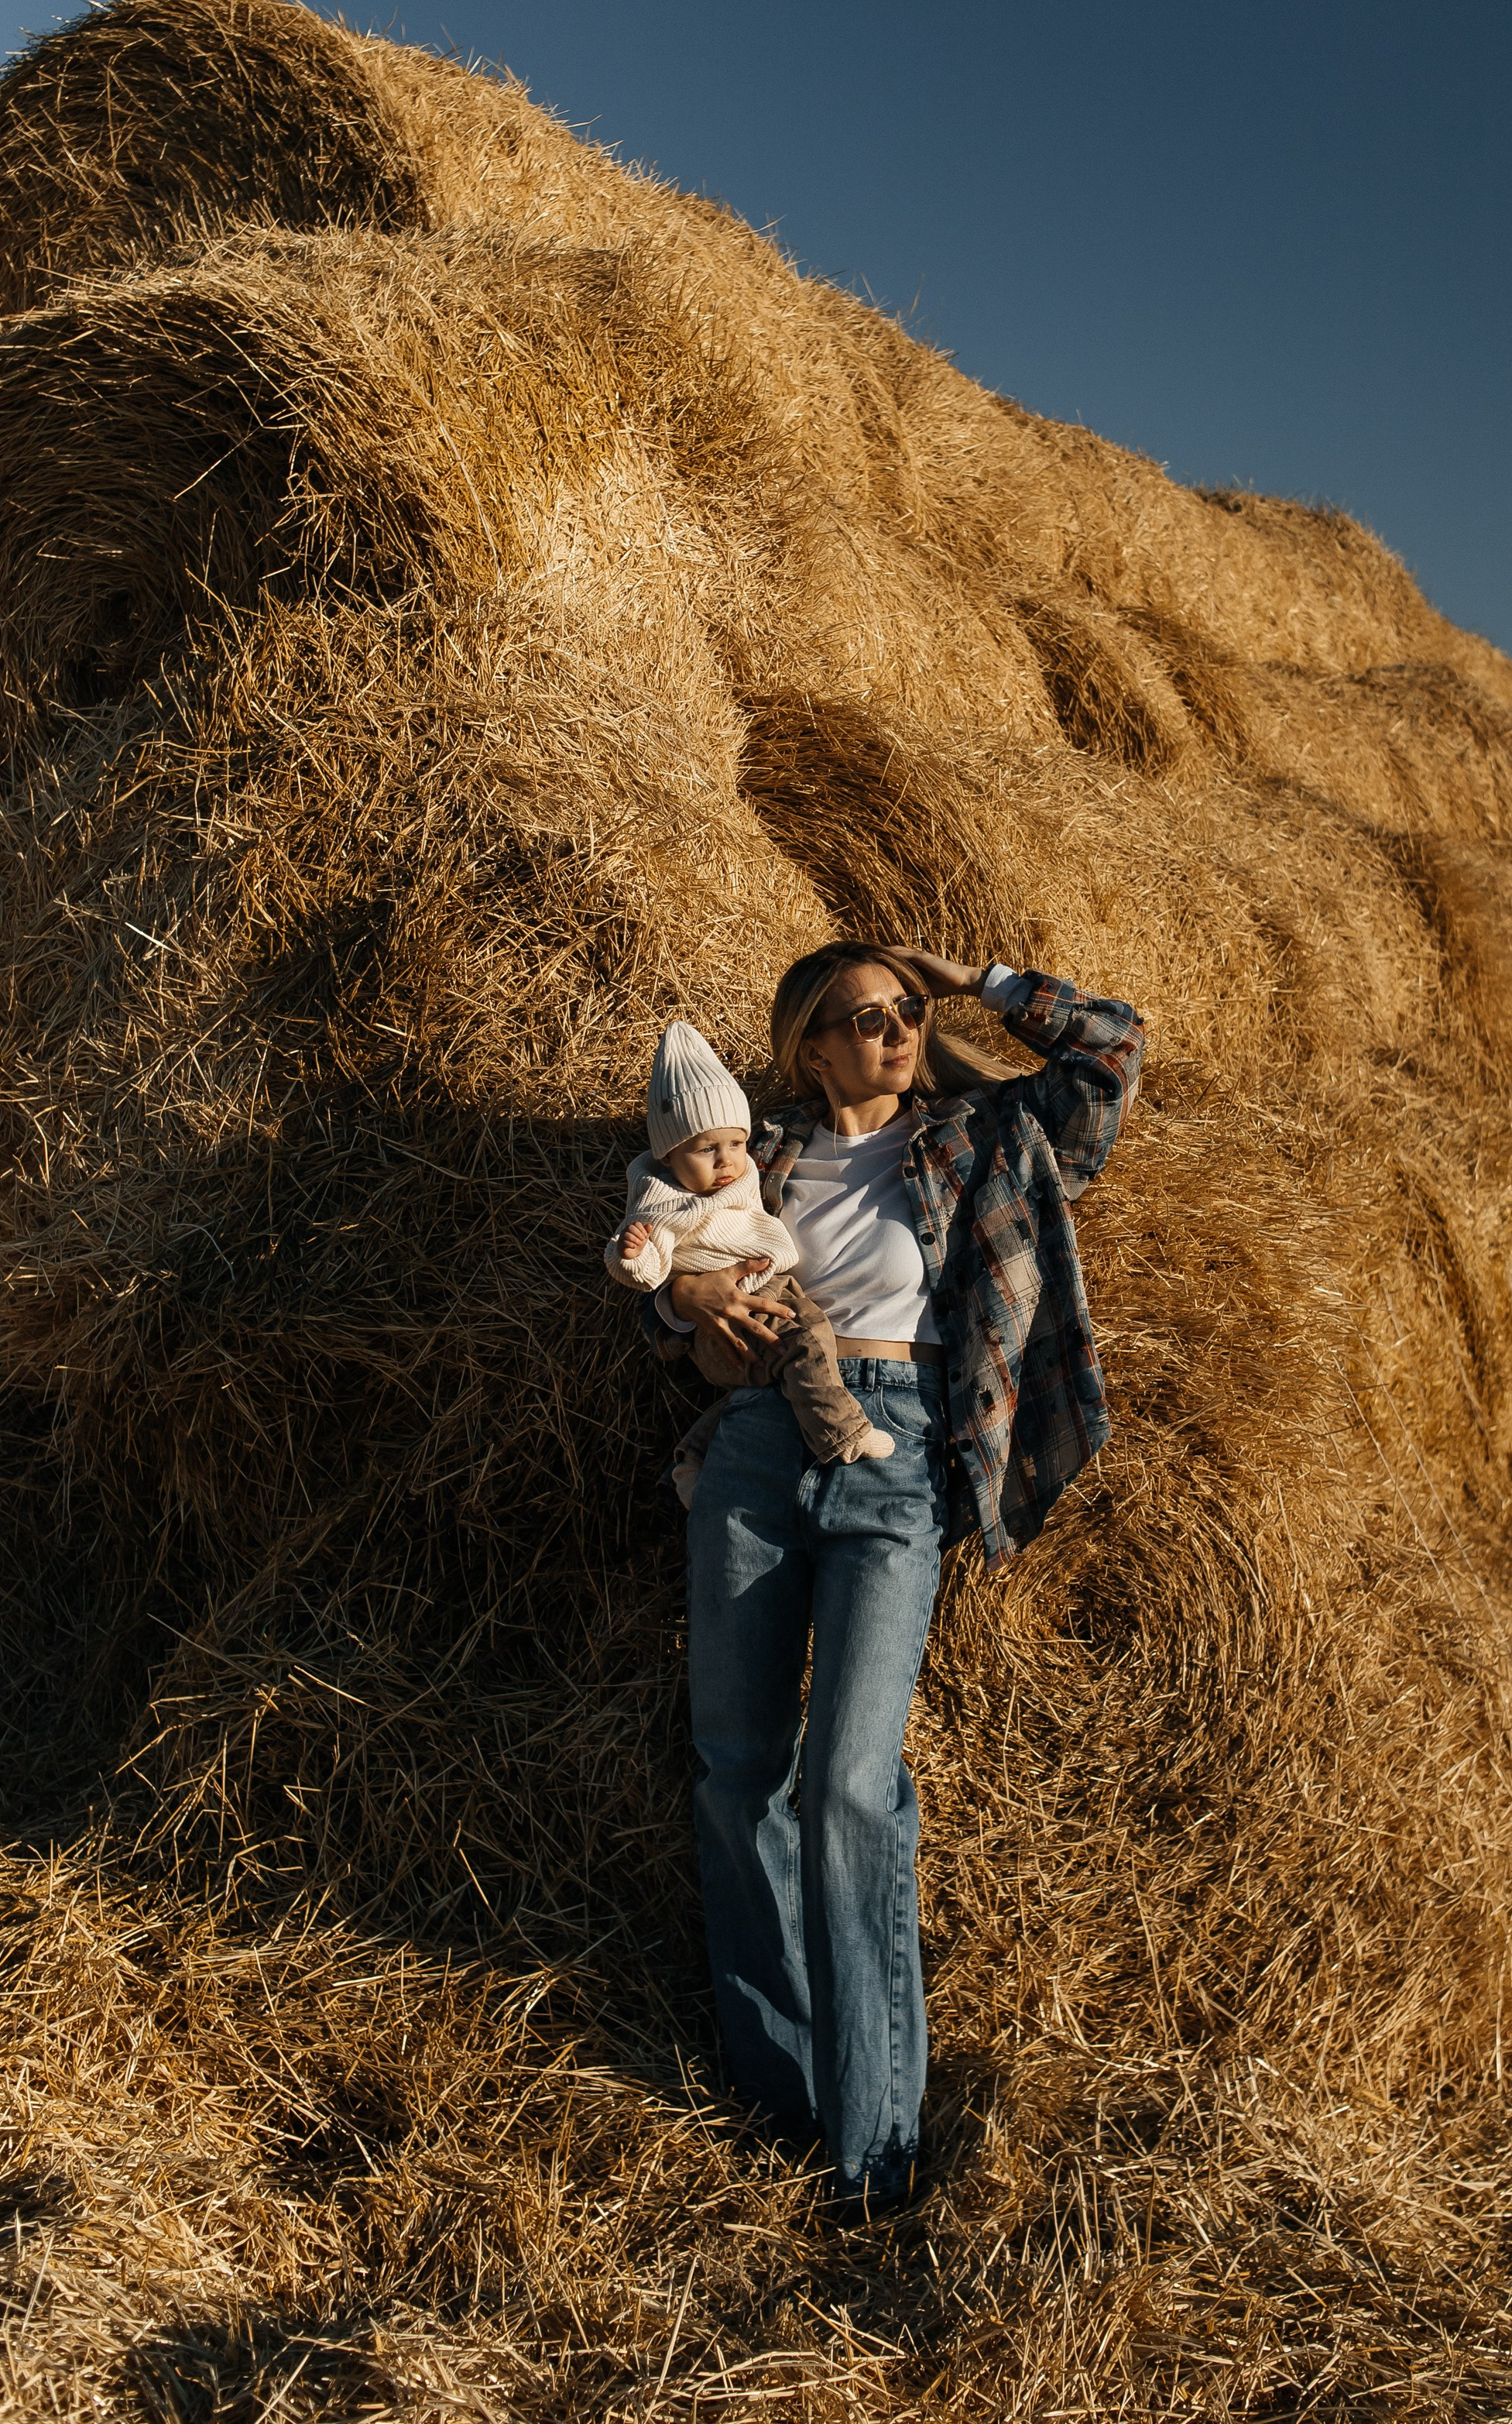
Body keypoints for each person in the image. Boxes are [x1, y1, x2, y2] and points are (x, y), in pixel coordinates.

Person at [648, 942, 1143, 2222]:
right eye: (869, 1018)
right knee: (737, 1771)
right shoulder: (756, 1163)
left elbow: (1111, 1054)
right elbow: (682, 1319)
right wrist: (704, 1310)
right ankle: (782, 2098)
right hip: (759, 1445)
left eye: (907, 1014)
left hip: (903, 1454)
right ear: (809, 1044)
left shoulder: (981, 1138)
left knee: (853, 1785)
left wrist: (977, 980)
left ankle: (874, 2149)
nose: (898, 1032)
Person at [604, 1019, 893, 1499]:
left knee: (773, 1377)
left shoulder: (746, 1176)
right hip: (733, 1314)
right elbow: (645, 1271)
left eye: (736, 1144)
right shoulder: (663, 1203)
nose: (726, 1161)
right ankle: (841, 1434)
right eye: (706, 1149)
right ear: (670, 1157)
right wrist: (634, 1256)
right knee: (806, 1342)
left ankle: (693, 1459)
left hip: (755, 1308)